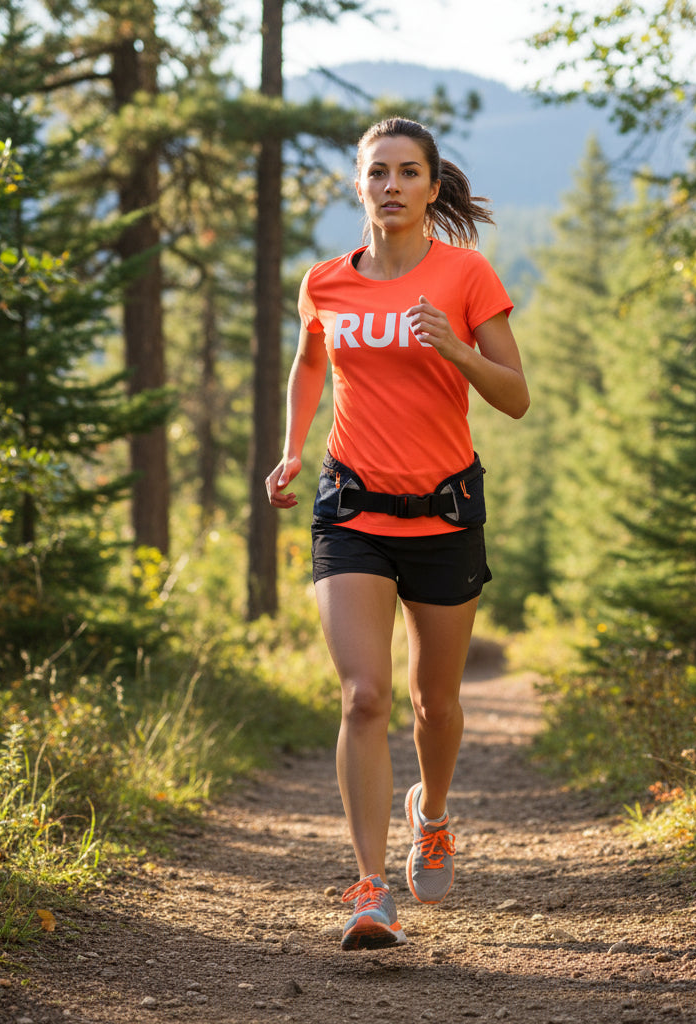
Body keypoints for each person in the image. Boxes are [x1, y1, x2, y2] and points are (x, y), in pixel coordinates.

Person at [265, 116, 528, 952]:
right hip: (352, 508)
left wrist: (455, 348)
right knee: (364, 695)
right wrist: (291, 449)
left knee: (434, 704)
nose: (391, 185)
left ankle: (434, 813)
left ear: (431, 185)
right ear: (360, 184)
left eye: (408, 172)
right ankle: (370, 890)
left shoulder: (465, 275)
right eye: (377, 172)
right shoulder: (327, 283)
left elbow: (515, 395)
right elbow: (312, 361)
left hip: (444, 510)